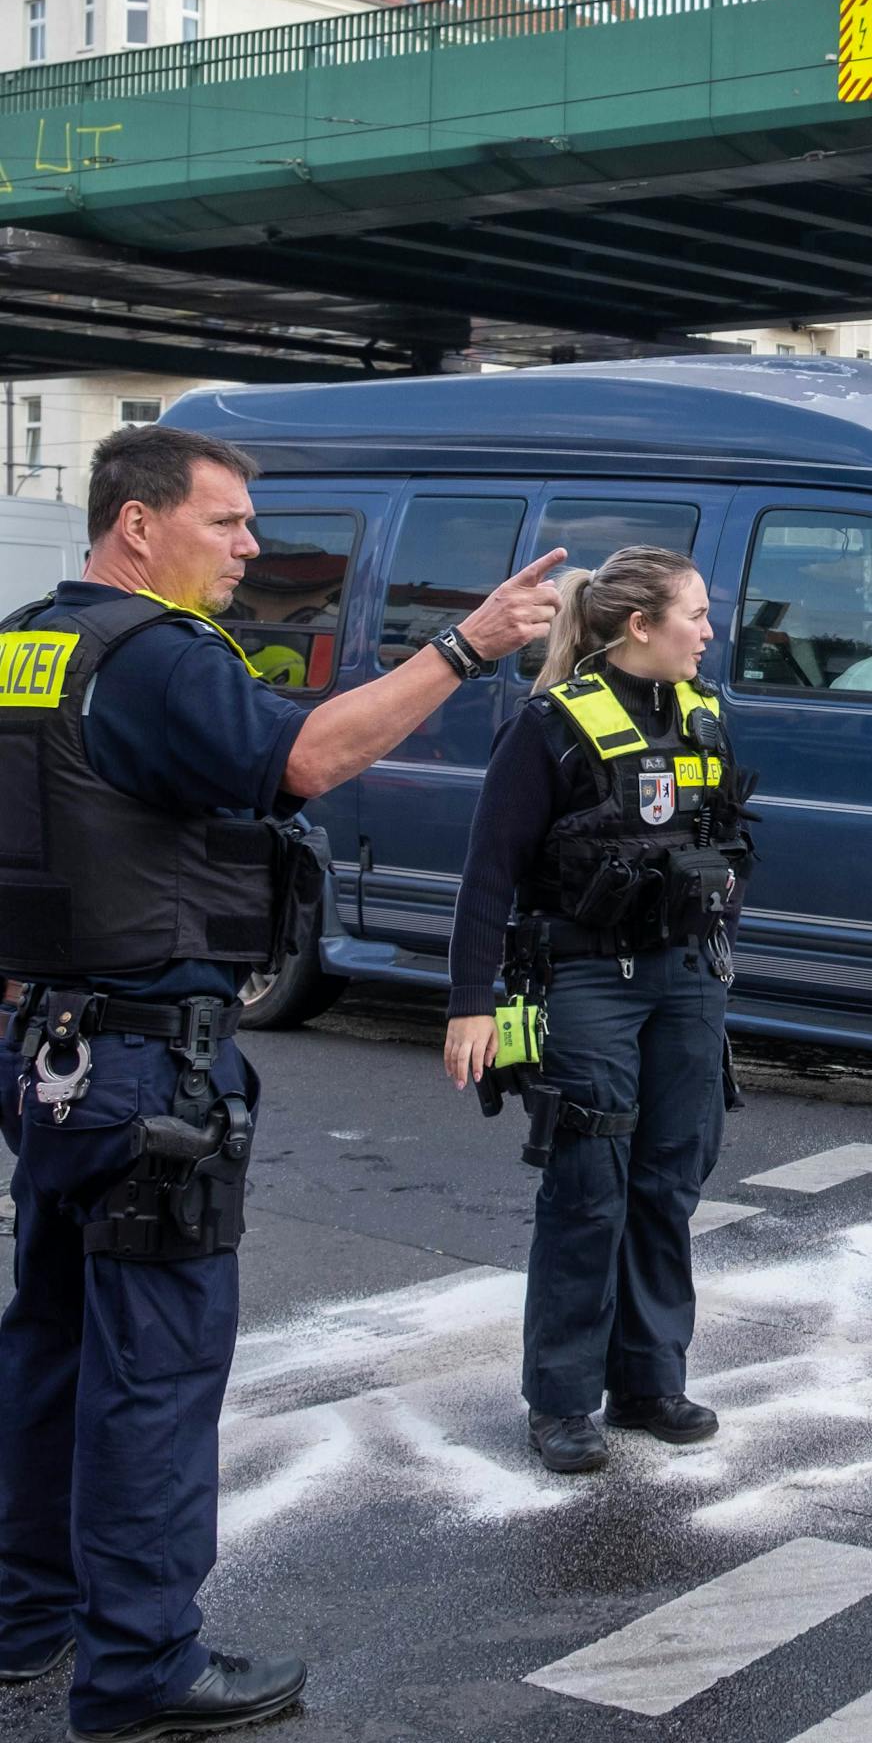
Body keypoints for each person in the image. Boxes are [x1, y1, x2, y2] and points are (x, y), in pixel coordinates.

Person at [0, 424, 563, 1741]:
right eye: (227, 522)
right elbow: (307, 756)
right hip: (147, 1060)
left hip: (50, 1048)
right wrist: (466, 646)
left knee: (52, 1344)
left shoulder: (28, 640)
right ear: (136, 523)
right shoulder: (154, 657)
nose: (251, 551)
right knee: (156, 1366)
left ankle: (23, 1619)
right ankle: (139, 1668)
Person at [443, 547, 752, 1476]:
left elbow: (731, 841)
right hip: (587, 983)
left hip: (686, 979)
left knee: (669, 1179)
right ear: (639, 628)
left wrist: (713, 917)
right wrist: (471, 1007)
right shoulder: (549, 728)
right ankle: (563, 1400)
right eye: (695, 614)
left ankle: (650, 1378)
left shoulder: (705, 715)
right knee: (587, 1188)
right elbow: (488, 872)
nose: (710, 630)